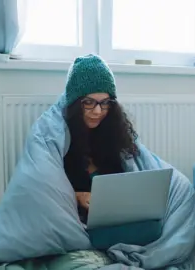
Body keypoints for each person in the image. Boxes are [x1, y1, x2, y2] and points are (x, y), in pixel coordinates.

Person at [62, 54, 139, 224]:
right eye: (89, 102)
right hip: (79, 221)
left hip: (115, 218)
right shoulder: (62, 141)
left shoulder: (112, 136)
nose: (98, 111)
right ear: (76, 104)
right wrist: (75, 196)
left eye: (105, 103)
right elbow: (48, 191)